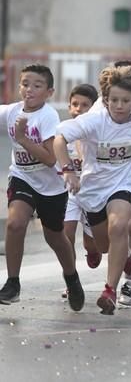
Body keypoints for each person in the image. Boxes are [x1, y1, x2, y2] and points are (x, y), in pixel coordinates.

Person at [54, 64, 131, 314]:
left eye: (125, 101)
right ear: (106, 100)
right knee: (105, 246)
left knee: (120, 225)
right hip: (93, 188)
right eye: (114, 100)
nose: (119, 106)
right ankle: (123, 251)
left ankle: (110, 290)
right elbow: (59, 139)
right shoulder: (94, 120)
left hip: (124, 184)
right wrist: (68, 170)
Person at [0, 64, 85, 311]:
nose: (29, 90)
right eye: (25, 84)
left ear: (49, 92)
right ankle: (12, 283)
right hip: (22, 177)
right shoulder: (12, 111)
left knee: (55, 237)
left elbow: (50, 158)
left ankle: (72, 279)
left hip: (51, 186)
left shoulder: (48, 117)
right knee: (15, 223)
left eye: (37, 86)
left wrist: (23, 139)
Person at [62, 83, 101, 297]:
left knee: (91, 243)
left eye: (85, 105)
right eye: (75, 104)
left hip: (91, 193)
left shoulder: (96, 132)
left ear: (93, 109)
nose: (79, 109)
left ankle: (92, 249)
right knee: (66, 235)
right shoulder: (63, 132)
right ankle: (72, 281)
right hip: (68, 193)